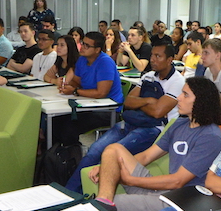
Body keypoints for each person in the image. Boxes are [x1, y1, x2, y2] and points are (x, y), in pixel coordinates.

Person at [90, 77, 221, 211]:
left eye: (185, 94)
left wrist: (132, 180)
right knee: (113, 150)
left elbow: (177, 182)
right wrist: (107, 166)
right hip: (164, 193)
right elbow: (146, 156)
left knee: (108, 209)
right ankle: (104, 200)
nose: (178, 98)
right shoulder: (179, 124)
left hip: (180, 204)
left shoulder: (210, 137)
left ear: (201, 102)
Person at [65, 41, 184, 193]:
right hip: (130, 122)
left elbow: (157, 112)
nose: (153, 59)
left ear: (169, 60)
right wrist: (149, 101)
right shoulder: (147, 76)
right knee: (94, 150)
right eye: (152, 55)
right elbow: (128, 101)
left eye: (158, 56)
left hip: (153, 129)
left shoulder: (178, 81)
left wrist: (142, 104)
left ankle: (88, 196)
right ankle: (69, 193)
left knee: (109, 153)